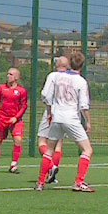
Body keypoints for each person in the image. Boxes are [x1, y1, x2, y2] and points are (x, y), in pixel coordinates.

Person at [36, 52, 94, 192]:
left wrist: (49, 112)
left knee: (49, 150)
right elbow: (83, 105)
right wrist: (88, 121)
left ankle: (40, 183)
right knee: (87, 150)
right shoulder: (81, 81)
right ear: (82, 65)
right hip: (71, 118)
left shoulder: (58, 77)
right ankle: (79, 182)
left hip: (57, 117)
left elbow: (47, 96)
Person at [37, 56, 69, 184]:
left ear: (57, 65)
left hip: (53, 110)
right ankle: (52, 176)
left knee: (42, 140)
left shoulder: (53, 76)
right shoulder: (71, 78)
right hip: (66, 112)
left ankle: (51, 166)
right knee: (58, 143)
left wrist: (49, 107)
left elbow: (45, 94)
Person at [0, 68, 28, 173]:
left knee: (18, 140)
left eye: (11, 74)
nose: (8, 76)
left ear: (16, 77)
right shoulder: (1, 88)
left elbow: (24, 106)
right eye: (8, 74)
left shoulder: (21, 91)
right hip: (1, 118)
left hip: (15, 120)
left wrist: (16, 117)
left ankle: (13, 165)